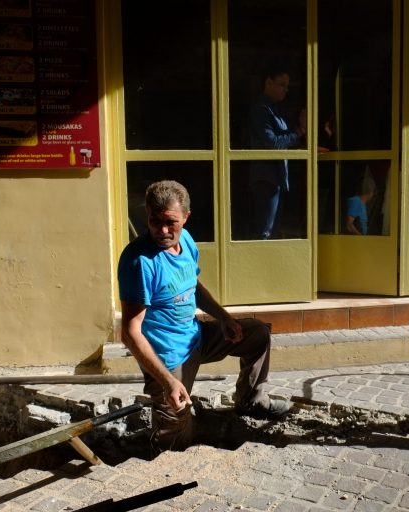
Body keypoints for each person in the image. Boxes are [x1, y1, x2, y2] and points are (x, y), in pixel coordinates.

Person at [117, 180, 291, 453]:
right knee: (173, 443)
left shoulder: (185, 241)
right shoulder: (139, 262)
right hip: (168, 359)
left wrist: (223, 318)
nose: (162, 231)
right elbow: (129, 332)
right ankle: (171, 429)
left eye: (170, 222)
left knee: (257, 334)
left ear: (186, 217)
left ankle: (251, 400)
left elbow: (193, 286)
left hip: (196, 337)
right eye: (154, 221)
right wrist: (169, 382)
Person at [248, 62, 305, 239]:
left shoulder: (273, 110)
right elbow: (273, 143)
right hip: (267, 179)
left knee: (272, 229)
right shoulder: (261, 110)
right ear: (268, 82)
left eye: (287, 86)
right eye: (281, 85)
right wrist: (299, 133)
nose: (285, 90)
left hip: (276, 178)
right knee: (266, 230)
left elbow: (281, 141)